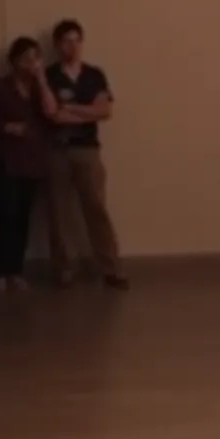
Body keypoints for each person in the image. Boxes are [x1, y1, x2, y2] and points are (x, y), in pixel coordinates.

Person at [45, 19, 128, 289]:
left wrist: (73, 109)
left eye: (76, 40)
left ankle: (110, 268)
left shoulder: (94, 75)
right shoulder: (49, 76)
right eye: (66, 41)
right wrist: (82, 111)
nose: (72, 46)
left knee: (96, 209)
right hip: (57, 151)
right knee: (59, 212)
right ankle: (64, 269)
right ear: (58, 45)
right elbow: (53, 114)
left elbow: (104, 111)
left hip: (87, 150)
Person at [0, 36, 59, 291]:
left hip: (32, 161)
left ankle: (16, 269)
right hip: (4, 160)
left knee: (24, 216)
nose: (31, 63)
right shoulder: (0, 88)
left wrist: (42, 80)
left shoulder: (40, 88)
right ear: (14, 62)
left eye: (36, 57)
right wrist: (8, 127)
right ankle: (0, 270)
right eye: (26, 58)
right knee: (7, 214)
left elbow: (52, 111)